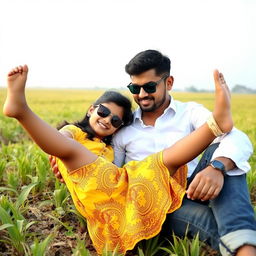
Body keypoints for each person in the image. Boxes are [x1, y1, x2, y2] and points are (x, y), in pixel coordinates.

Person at [3, 64, 233, 254]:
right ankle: (21, 110)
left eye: (115, 121)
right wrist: (56, 152)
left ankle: (214, 125)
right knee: (75, 150)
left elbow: (114, 170)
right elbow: (60, 138)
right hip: (94, 191)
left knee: (164, 162)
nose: (107, 120)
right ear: (91, 109)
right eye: (103, 112)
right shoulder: (76, 133)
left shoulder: (110, 147)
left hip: (115, 189)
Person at [111, 50, 256, 256]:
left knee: (224, 154)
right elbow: (112, 175)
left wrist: (217, 167)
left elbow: (236, 136)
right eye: (135, 88)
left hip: (195, 187)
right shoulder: (123, 128)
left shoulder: (189, 112)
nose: (142, 94)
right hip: (160, 203)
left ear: (168, 83)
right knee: (208, 222)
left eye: (149, 87)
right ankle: (246, 249)